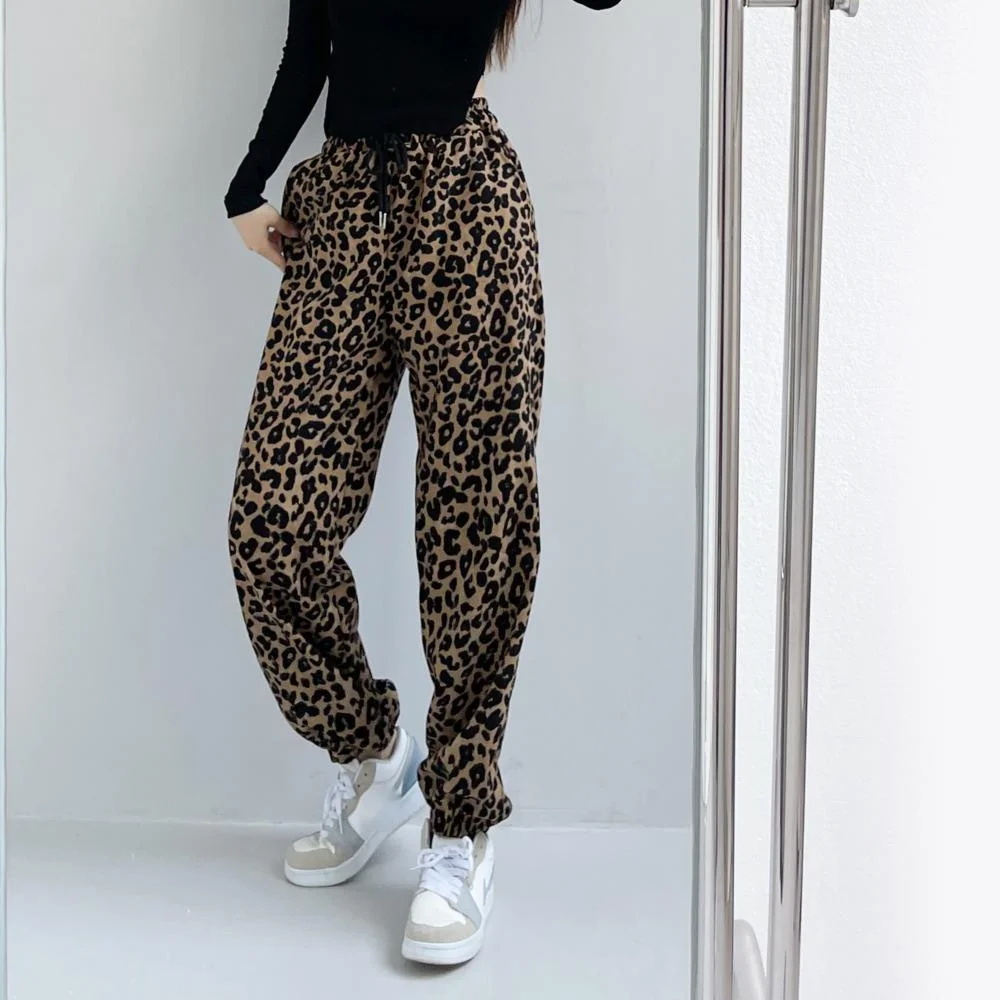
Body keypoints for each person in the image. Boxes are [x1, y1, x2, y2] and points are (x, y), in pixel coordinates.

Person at [225, 0, 621, 966]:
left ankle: (461, 821)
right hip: (343, 205)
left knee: (476, 525)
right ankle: (376, 757)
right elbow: (310, 42)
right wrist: (246, 184)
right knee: (271, 523)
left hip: (466, 204)